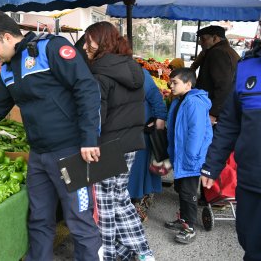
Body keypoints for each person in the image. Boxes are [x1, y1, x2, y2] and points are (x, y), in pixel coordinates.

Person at [0, 11, 102, 261]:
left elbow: (87, 89)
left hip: (71, 152)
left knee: (79, 220)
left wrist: (88, 139)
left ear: (8, 37)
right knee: (39, 218)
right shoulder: (7, 71)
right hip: (39, 156)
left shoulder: (51, 49)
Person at [83, 21, 154, 261]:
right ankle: (143, 252)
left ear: (102, 42)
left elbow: (96, 117)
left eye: (88, 41)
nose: (84, 46)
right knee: (119, 197)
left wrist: (87, 140)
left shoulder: (99, 73)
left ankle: (110, 255)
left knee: (104, 204)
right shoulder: (133, 69)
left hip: (106, 147)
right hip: (130, 145)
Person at [201, 42, 261, 261]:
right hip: (252, 183)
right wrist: (212, 165)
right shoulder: (246, 67)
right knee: (251, 246)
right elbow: (229, 124)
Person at [164, 68, 213, 244]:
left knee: (189, 192)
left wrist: (191, 157)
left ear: (188, 84)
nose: (171, 85)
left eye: (175, 82)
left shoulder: (194, 103)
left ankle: (190, 228)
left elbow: (196, 132)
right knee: (181, 190)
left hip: (190, 157)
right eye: (170, 82)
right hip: (182, 155)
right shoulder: (181, 100)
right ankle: (183, 220)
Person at [128, 68, 167, 222]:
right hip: (123, 129)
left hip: (141, 129)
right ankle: (133, 201)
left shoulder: (139, 72)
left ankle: (136, 201)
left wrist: (159, 118)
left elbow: (155, 97)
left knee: (138, 166)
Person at [194, 25, 240, 124]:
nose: (200, 43)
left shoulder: (218, 52)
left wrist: (214, 113)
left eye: (203, 39)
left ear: (215, 38)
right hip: (223, 107)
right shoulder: (226, 50)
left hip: (216, 111)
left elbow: (224, 85)